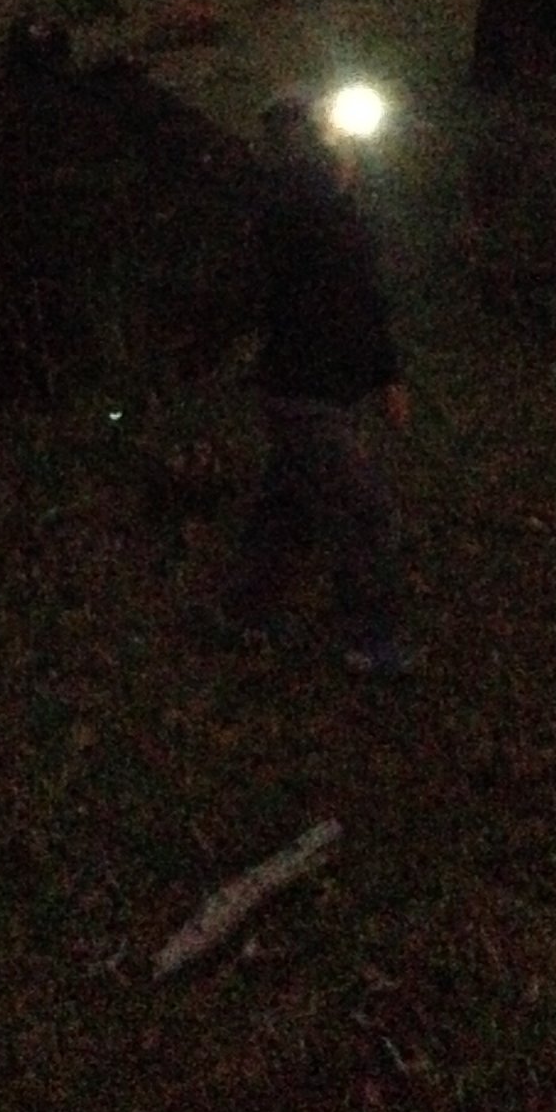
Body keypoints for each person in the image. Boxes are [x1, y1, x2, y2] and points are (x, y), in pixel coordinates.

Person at [223, 93, 414, 675]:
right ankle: (369, 640)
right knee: (365, 510)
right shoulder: (295, 209)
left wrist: (387, 375)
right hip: (302, 389)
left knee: (290, 506)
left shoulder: (341, 215)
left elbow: (366, 298)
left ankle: (243, 613)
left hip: (326, 386)